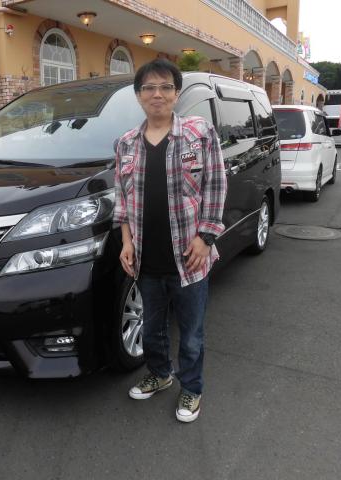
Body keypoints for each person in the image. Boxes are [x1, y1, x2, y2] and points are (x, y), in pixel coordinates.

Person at [113, 58, 227, 423]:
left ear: (176, 94)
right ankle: (160, 374)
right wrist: (126, 242)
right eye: (149, 88)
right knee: (152, 329)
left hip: (190, 257)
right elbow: (122, 199)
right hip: (146, 258)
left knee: (191, 334)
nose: (157, 94)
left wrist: (205, 238)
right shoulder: (126, 144)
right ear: (138, 95)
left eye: (165, 87)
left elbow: (216, 185)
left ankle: (191, 388)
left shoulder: (199, 133)